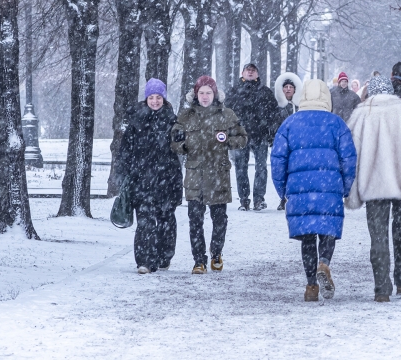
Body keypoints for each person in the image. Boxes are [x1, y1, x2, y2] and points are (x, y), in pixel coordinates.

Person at [345, 76, 401, 302]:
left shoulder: (360, 114)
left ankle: (382, 288)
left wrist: (351, 188)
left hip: (373, 187)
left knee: (378, 238)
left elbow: (352, 155)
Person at [271, 79, 357, 302]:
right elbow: (349, 159)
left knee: (308, 237)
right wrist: (345, 188)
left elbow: (278, 160)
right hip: (330, 187)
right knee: (327, 229)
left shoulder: (290, 124)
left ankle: (311, 286)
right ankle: (324, 263)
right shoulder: (337, 124)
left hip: (300, 190)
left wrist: (283, 191)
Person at [172, 76, 248, 274]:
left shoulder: (227, 115)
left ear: (215, 94)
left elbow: (242, 137)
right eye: (201, 93)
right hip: (195, 175)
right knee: (195, 220)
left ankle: (216, 253)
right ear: (195, 95)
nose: (205, 96)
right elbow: (173, 141)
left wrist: (228, 142)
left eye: (208, 92)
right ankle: (199, 261)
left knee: (219, 218)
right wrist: (183, 146)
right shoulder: (186, 116)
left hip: (218, 174)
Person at [116, 78, 183, 274]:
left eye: (158, 97)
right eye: (151, 97)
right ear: (146, 99)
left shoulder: (172, 120)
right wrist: (122, 173)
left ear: (164, 98)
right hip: (141, 180)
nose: (155, 101)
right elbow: (125, 150)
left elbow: (180, 148)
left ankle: (164, 257)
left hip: (167, 179)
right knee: (144, 222)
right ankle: (144, 261)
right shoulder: (136, 121)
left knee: (166, 220)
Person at [224, 63, 280, 211]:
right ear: (242, 73)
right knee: (240, 168)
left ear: (257, 74)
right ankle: (244, 200)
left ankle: (259, 199)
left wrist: (270, 132)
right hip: (239, 135)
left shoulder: (266, 92)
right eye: (247, 70)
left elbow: (273, 114)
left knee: (261, 168)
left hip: (260, 134)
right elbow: (227, 113)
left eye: (253, 70)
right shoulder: (234, 91)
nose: (250, 72)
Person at [273, 72, 303, 211]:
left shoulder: (300, 107)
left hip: (297, 144)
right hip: (282, 144)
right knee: (282, 171)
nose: (288, 89)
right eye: (286, 87)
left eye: (291, 87)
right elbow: (273, 124)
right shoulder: (276, 107)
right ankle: (283, 197)